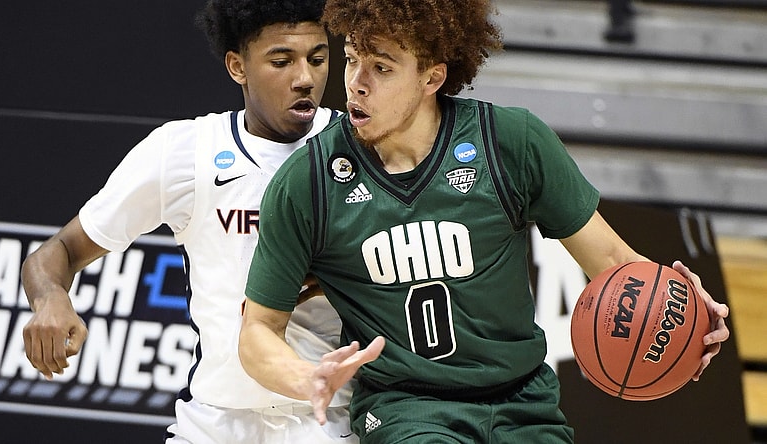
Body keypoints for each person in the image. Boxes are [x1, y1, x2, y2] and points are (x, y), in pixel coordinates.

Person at [237, 0, 731, 443]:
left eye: (381, 67)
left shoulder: (511, 142)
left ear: (431, 77)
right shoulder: (309, 181)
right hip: (407, 410)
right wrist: (305, 377)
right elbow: (257, 329)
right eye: (352, 60)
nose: (356, 83)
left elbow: (614, 263)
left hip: (524, 403)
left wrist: (682, 311)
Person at [20, 0, 358, 442]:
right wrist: (50, 299)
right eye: (282, 61)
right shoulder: (186, 151)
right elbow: (59, 251)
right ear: (237, 66)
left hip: (327, 421)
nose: (305, 78)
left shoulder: (360, 147)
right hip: (214, 423)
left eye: (317, 59)